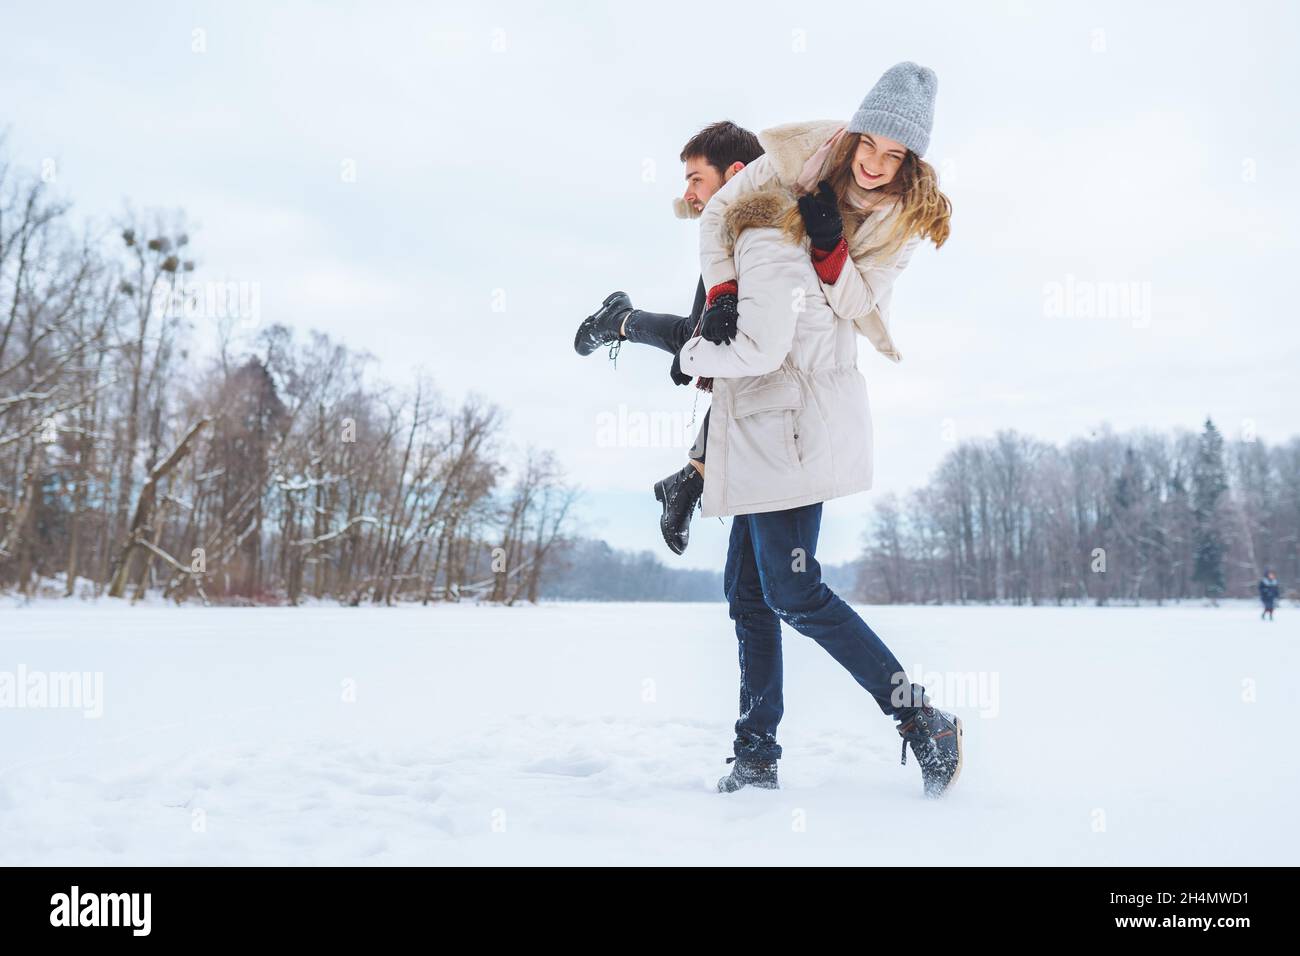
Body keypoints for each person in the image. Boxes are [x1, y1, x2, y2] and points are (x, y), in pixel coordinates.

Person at [683, 62, 961, 796]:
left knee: (794, 593)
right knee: (749, 594)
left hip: (799, 422)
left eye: (897, 158)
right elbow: (716, 219)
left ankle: (921, 720)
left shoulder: (899, 220)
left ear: (911, 163)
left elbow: (861, 302)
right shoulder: (790, 163)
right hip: (754, 415)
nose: (877, 166)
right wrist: (720, 292)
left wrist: (831, 248)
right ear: (853, 136)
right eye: (872, 146)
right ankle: (757, 753)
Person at [573, 121, 763, 554]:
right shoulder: (728, 221)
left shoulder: (757, 221)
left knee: (717, 352)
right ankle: (619, 319)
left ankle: (689, 481)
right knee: (703, 343)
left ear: (733, 174)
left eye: (696, 179)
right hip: (733, 255)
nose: (688, 193)